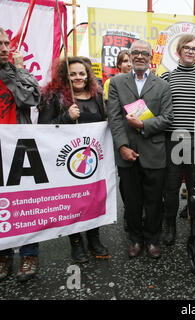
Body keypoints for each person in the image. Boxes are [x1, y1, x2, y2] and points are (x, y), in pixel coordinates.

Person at [38, 56, 109, 263]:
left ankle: (94, 238)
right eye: (73, 74)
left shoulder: (96, 95)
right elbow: (43, 129)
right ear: (64, 76)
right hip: (66, 162)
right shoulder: (54, 97)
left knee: (93, 199)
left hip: (92, 161)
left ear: (88, 75)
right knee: (73, 203)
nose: (78, 78)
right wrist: (66, 117)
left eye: (82, 73)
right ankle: (76, 242)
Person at [107, 39, 173, 259]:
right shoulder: (117, 82)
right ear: (130, 54)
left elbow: (168, 118)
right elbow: (115, 118)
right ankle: (135, 239)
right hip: (127, 154)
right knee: (132, 201)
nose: (139, 56)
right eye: (135, 52)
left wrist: (143, 125)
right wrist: (122, 146)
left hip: (154, 152)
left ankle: (153, 239)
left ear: (151, 57)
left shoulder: (163, 86)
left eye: (144, 53)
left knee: (155, 201)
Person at [159, 34, 195, 245]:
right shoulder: (166, 78)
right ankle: (170, 226)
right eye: (187, 48)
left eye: (194, 48)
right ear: (179, 52)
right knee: (171, 188)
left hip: (194, 141)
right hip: (172, 140)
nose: (191, 51)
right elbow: (162, 109)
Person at [0, 27, 41, 282]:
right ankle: (3, 255)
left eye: (6, 43)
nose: (4, 48)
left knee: (25, 201)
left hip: (20, 147)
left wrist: (18, 71)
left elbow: (32, 97)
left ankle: (29, 254)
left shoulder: (18, 72)